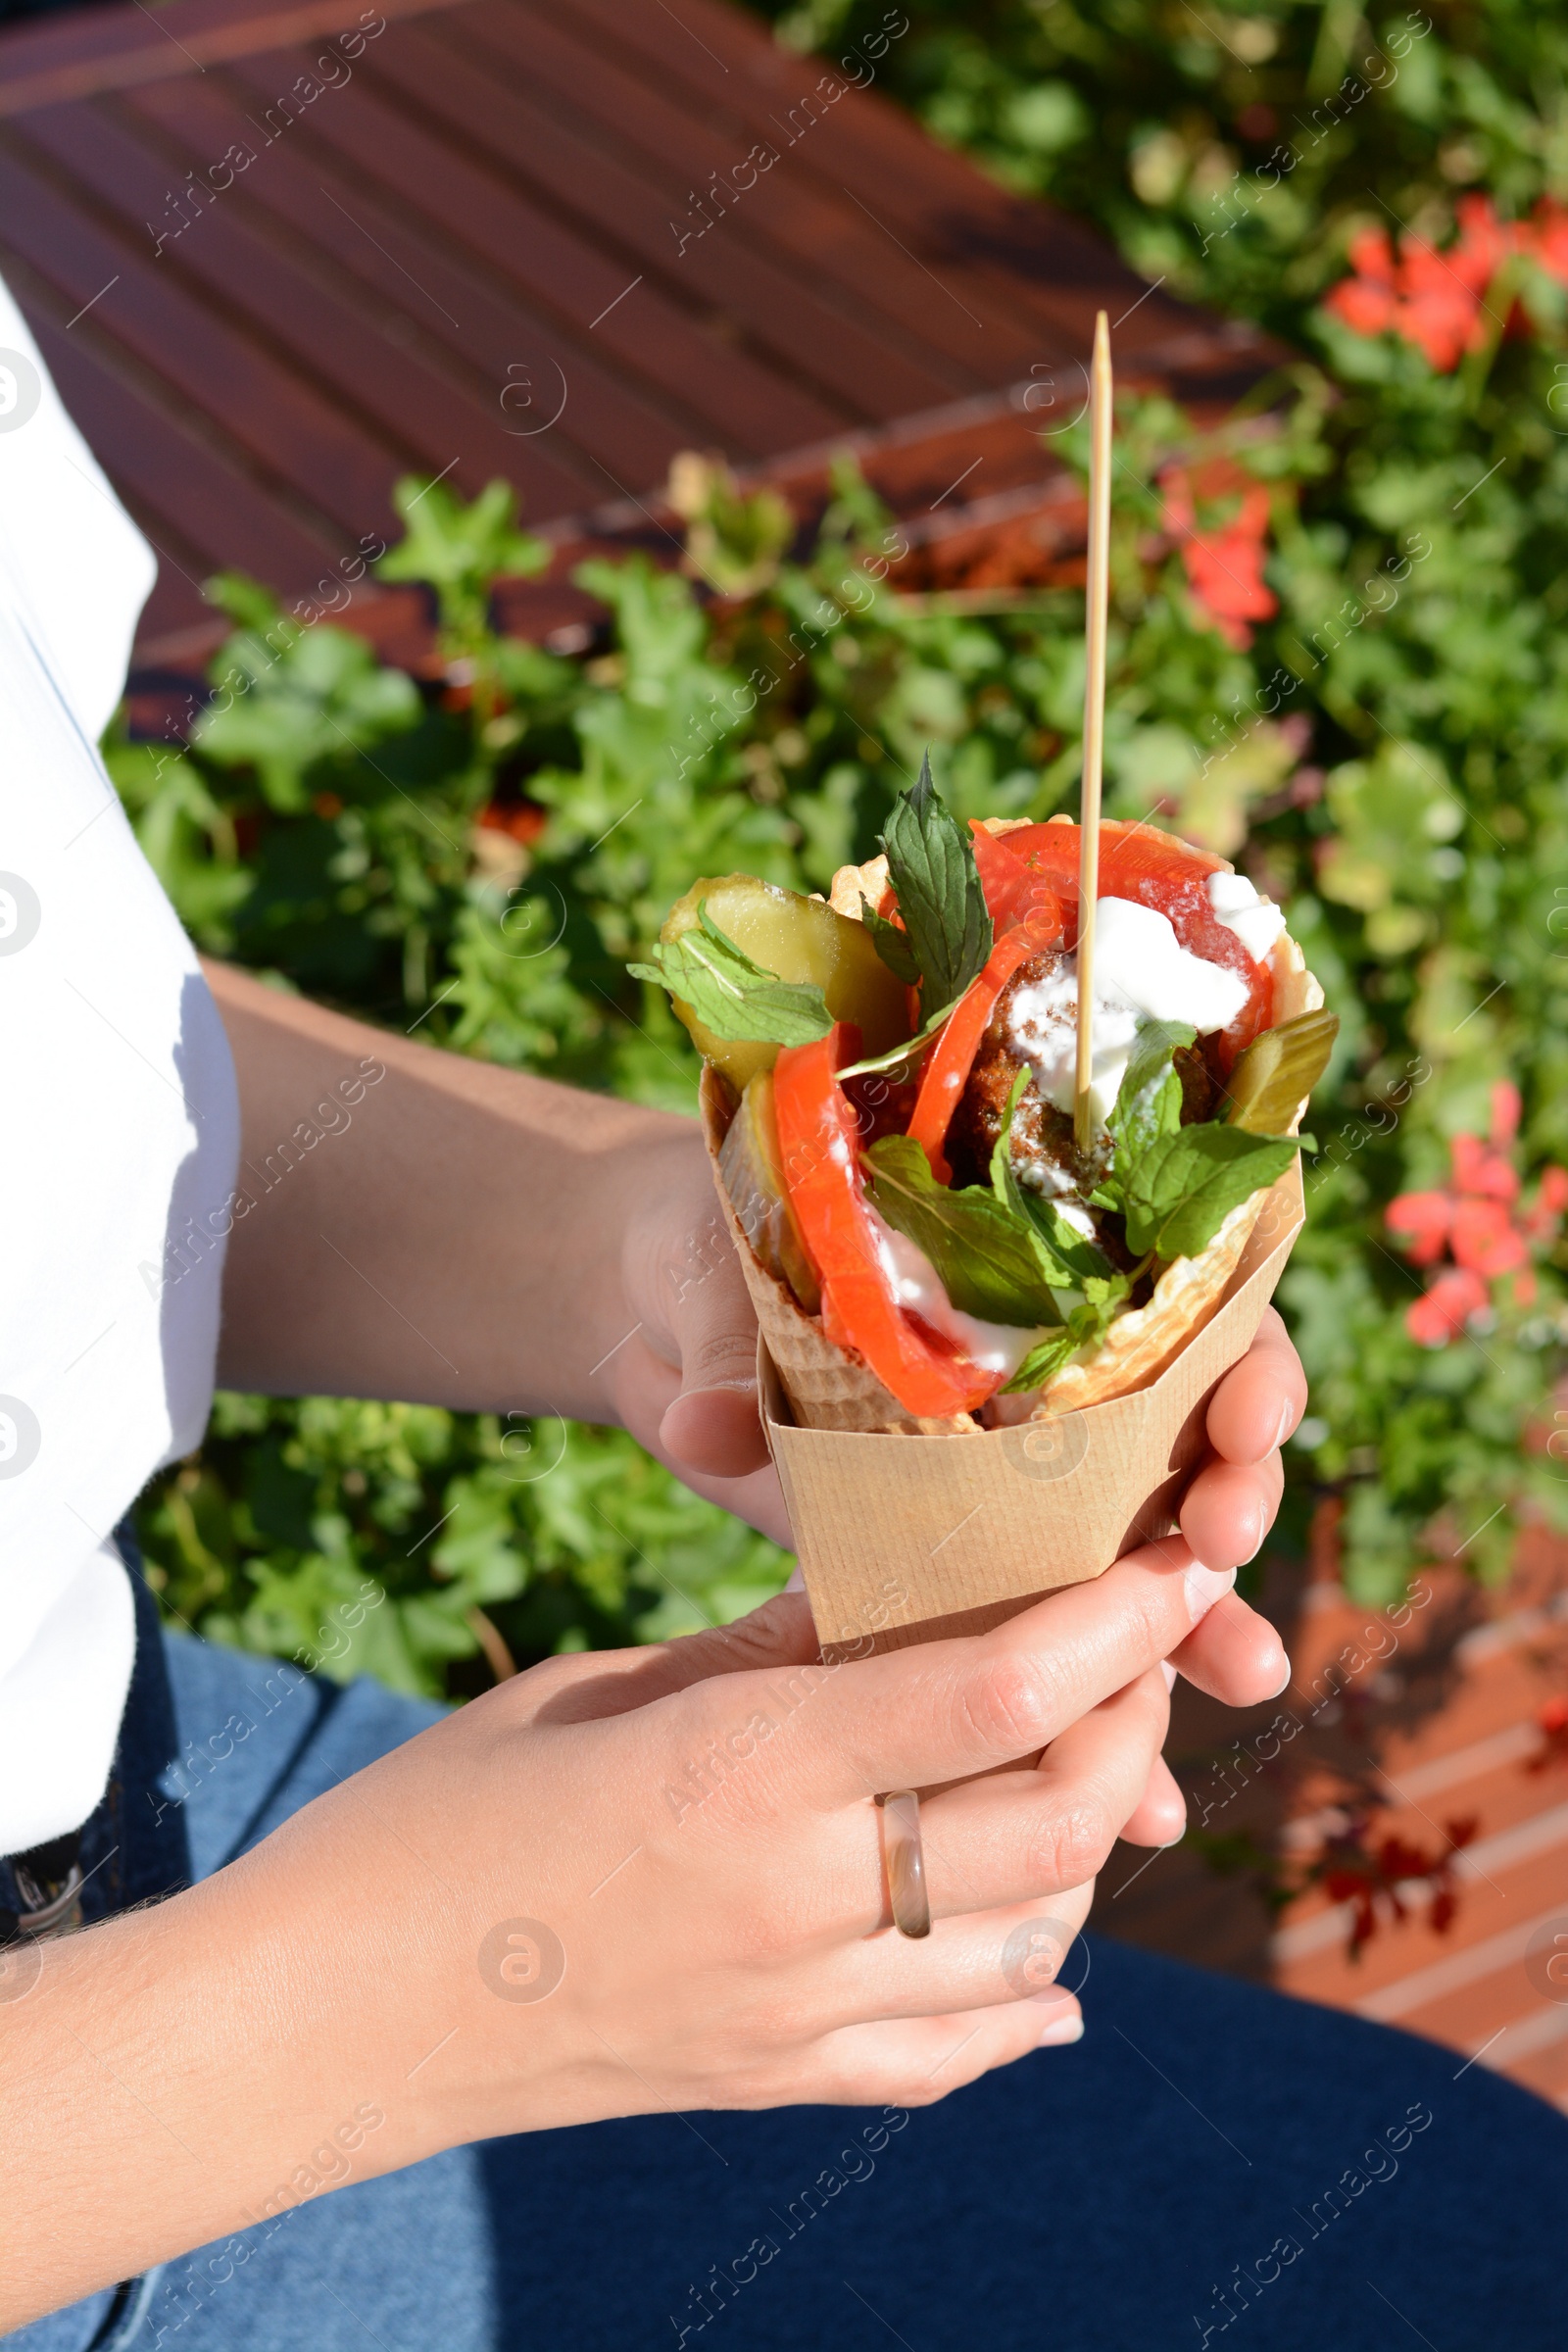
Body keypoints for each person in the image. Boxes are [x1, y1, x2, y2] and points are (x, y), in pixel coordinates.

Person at [1, 282, 1562, 2352]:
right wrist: (404, 1998)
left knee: (1481, 2244)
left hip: (126, 1781)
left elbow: (56, 1028)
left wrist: (658, 1263)